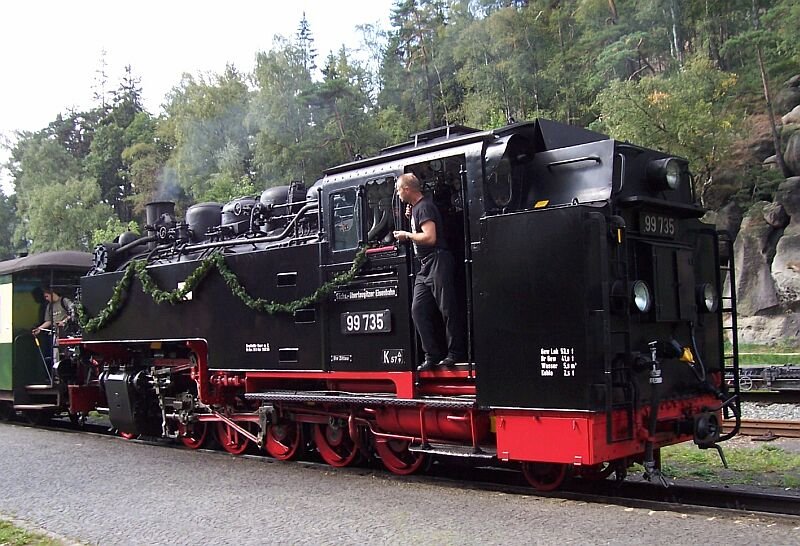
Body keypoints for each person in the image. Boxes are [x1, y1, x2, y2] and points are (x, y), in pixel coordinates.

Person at [393, 173, 466, 371]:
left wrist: (407, 235)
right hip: (424, 265)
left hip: (437, 259)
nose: (398, 194)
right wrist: (411, 219)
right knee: (418, 310)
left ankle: (455, 352)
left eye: (399, 189)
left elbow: (430, 237)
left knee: (447, 308)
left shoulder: (424, 207)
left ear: (407, 189)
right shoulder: (417, 209)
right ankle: (431, 354)